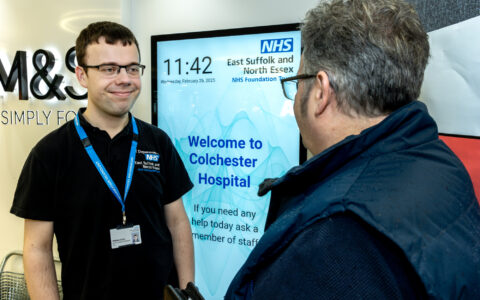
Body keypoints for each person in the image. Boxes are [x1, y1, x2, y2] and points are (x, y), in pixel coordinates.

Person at [226, 0, 480, 299]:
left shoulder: (332, 238)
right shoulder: (437, 162)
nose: (295, 99)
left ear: (320, 92)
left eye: (297, 84)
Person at [11, 21, 194, 299]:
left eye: (133, 68)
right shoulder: (50, 154)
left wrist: (187, 293)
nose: (125, 79)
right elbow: (37, 249)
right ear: (82, 75)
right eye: (109, 69)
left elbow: (178, 223)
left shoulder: (157, 142)